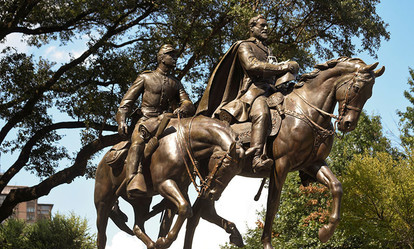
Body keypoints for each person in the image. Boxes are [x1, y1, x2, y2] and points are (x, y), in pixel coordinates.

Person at [196, 15, 299, 173]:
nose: (266, 28)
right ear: (252, 28)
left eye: (266, 25)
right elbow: (252, 66)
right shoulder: (244, 45)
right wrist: (284, 66)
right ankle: (257, 157)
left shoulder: (268, 50)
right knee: (262, 112)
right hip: (252, 92)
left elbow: (271, 70)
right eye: (262, 26)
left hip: (270, 90)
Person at [117, 44, 195, 197]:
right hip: (145, 121)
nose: (175, 59)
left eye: (175, 56)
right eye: (171, 55)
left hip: (165, 121)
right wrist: (121, 120)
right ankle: (132, 180)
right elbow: (126, 102)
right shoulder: (145, 77)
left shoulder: (176, 83)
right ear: (161, 58)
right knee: (138, 143)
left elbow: (188, 103)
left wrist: (183, 108)